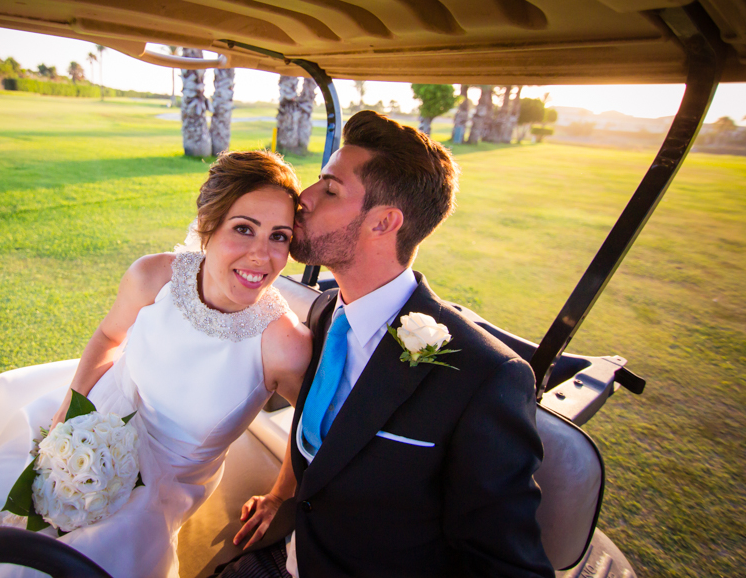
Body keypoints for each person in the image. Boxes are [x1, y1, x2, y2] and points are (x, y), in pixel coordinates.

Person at [0, 150, 312, 578]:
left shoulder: (283, 343)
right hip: (96, 419)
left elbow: (306, 429)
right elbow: (110, 336)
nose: (262, 256)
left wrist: (278, 494)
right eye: (244, 229)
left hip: (168, 481)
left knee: (82, 556)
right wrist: (69, 415)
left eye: (279, 237)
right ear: (208, 226)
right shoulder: (155, 276)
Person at [225, 112, 554, 577]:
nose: (305, 198)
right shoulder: (326, 313)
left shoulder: (485, 379)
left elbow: (507, 567)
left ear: (383, 223)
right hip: (283, 557)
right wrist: (282, 496)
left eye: (330, 188)